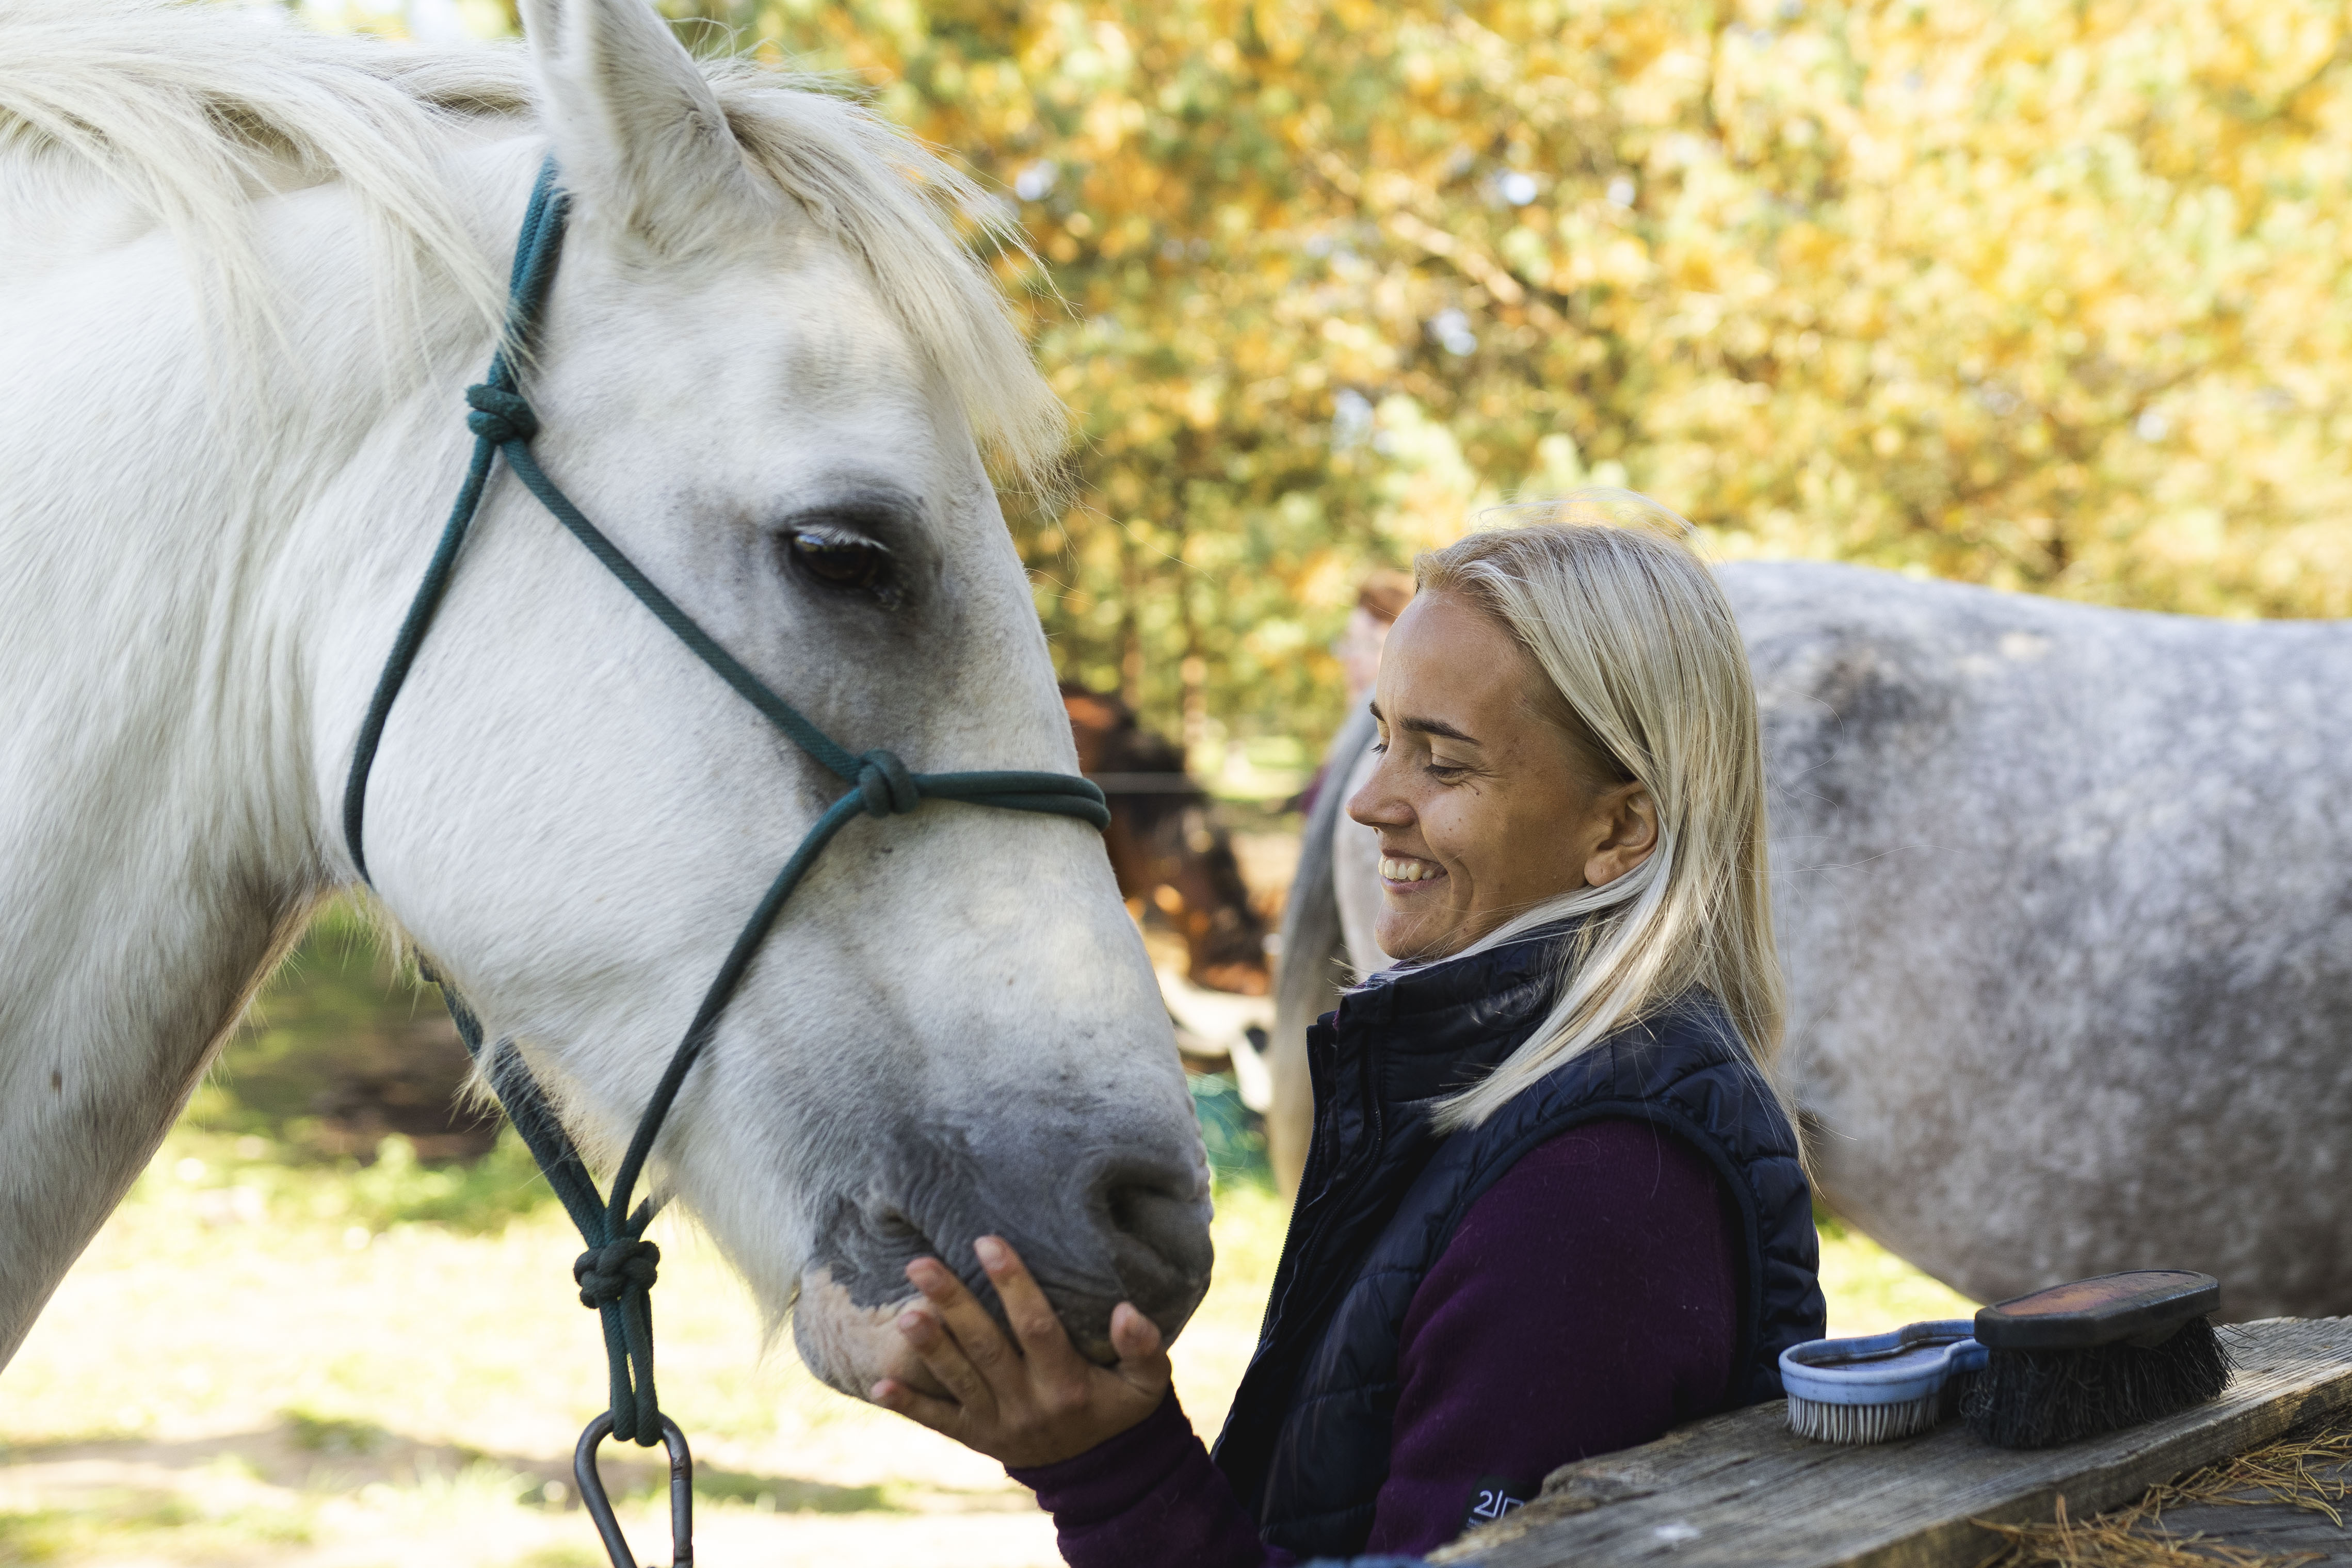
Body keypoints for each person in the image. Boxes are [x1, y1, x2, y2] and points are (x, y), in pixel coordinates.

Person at [870, 494, 1826, 1565]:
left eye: (1442, 760)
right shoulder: (1519, 1101)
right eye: (1381, 738)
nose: (1369, 800)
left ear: (1618, 826)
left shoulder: (1599, 1188)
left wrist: (1111, 1468)